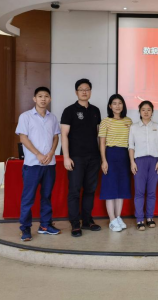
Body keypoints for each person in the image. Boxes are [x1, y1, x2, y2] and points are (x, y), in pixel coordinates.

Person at [15, 87, 61, 242]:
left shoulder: (52, 118)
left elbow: (56, 137)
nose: (43, 99)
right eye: (40, 96)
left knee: (46, 196)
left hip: (50, 164)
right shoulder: (26, 116)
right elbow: (23, 138)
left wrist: (51, 153)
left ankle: (45, 225)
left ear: (50, 99)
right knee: (28, 197)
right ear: (34, 99)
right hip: (32, 164)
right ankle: (25, 228)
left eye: (46, 96)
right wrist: (38, 154)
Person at [61, 79, 102, 237]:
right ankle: (75, 223)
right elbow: (64, 135)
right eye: (81, 89)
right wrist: (66, 157)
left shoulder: (95, 110)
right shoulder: (69, 111)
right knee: (74, 191)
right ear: (76, 92)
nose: (84, 92)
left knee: (90, 190)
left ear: (90, 91)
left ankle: (87, 220)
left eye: (87, 89)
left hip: (93, 157)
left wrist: (101, 157)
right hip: (76, 157)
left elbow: (99, 135)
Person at [98, 94, 133, 232]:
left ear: (123, 105)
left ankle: (118, 217)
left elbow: (131, 141)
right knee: (110, 188)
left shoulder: (128, 121)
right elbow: (102, 143)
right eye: (114, 103)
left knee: (121, 188)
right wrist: (104, 160)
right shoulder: (105, 121)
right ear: (110, 106)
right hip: (110, 155)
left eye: (120, 103)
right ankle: (112, 219)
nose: (117, 106)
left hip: (124, 155)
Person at [129, 101, 158, 231]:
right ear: (139, 111)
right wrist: (132, 162)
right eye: (143, 109)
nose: (146, 112)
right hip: (139, 161)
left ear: (152, 112)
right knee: (139, 191)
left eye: (149, 109)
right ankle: (139, 219)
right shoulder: (134, 127)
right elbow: (131, 146)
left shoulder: (157, 127)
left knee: (151, 192)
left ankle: (149, 217)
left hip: (154, 161)